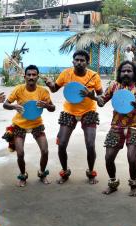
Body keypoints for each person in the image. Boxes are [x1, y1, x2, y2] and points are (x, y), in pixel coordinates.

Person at [86, 61, 136, 196]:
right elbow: (102, 102)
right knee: (109, 157)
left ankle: (133, 185)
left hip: (135, 126)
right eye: (123, 71)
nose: (126, 73)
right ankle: (113, 183)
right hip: (116, 126)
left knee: (132, 158)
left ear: (134, 73)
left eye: (129, 71)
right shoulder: (114, 86)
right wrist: (92, 97)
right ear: (120, 73)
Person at [45, 49, 103, 184]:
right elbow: (54, 89)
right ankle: (65, 171)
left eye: (82, 60)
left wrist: (91, 95)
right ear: (73, 61)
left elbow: (101, 99)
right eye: (76, 60)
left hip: (89, 112)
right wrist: (49, 84)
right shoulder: (66, 74)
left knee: (90, 144)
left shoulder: (94, 76)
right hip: (69, 112)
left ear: (87, 63)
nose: (79, 62)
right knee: (62, 144)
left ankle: (91, 172)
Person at [2, 64, 55, 186]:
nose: (31, 77)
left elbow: (53, 108)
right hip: (19, 125)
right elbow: (5, 104)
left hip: (37, 124)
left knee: (45, 151)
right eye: (29, 75)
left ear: (37, 77)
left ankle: (42, 173)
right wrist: (13, 106)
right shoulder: (18, 89)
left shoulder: (43, 91)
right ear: (24, 76)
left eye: (34, 75)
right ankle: (23, 176)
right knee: (20, 153)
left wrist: (46, 105)